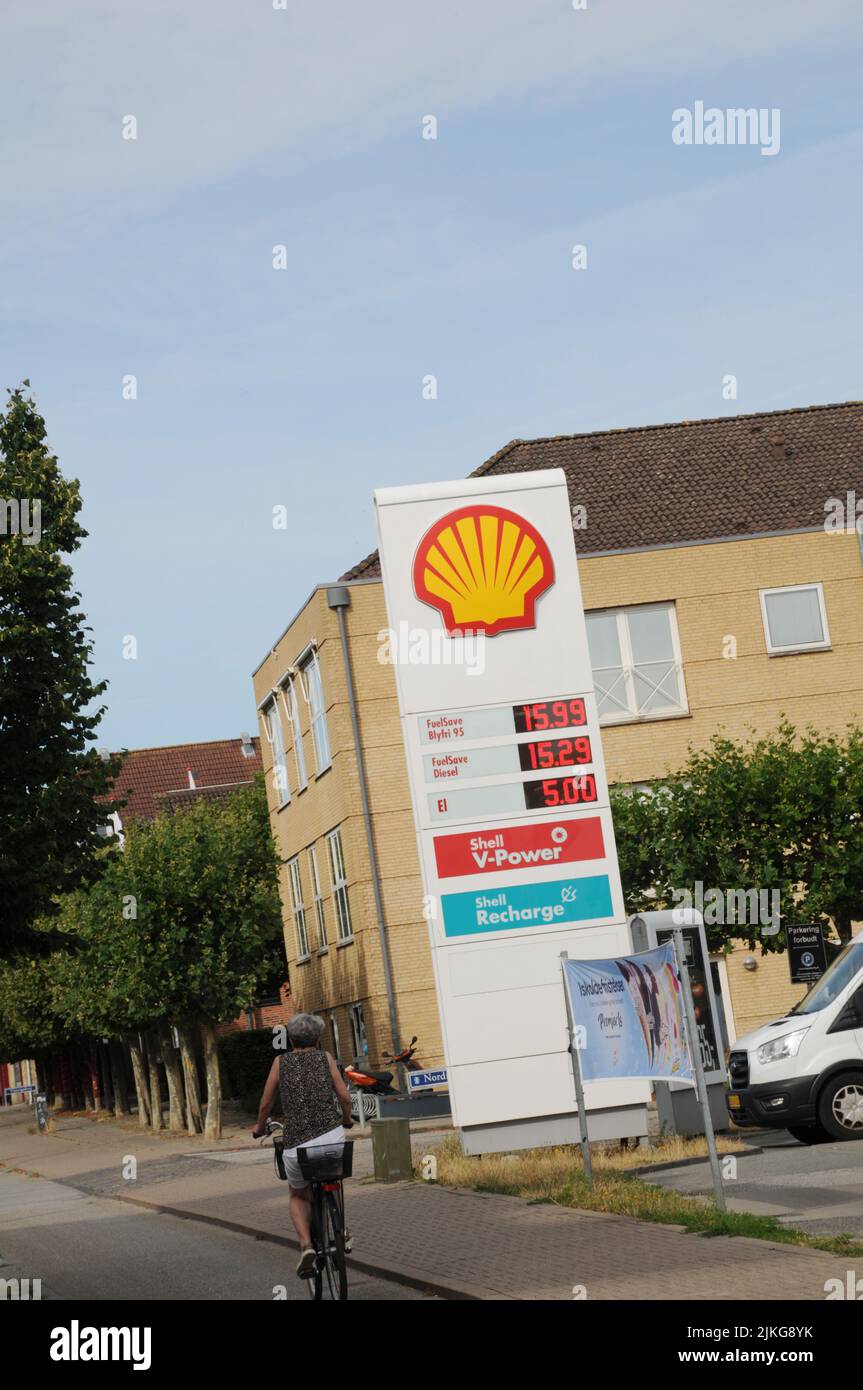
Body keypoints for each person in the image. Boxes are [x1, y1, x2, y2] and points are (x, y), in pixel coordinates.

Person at [253, 1012, 353, 1277]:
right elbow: (344, 1096)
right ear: (317, 1037)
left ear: (291, 1038)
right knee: (334, 1178)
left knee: (298, 1194)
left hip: (297, 1143)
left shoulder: (280, 1062)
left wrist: (260, 1127)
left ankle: (306, 1245)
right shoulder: (325, 1058)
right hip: (331, 1136)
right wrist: (346, 1119)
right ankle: (341, 1230)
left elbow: (265, 1103)